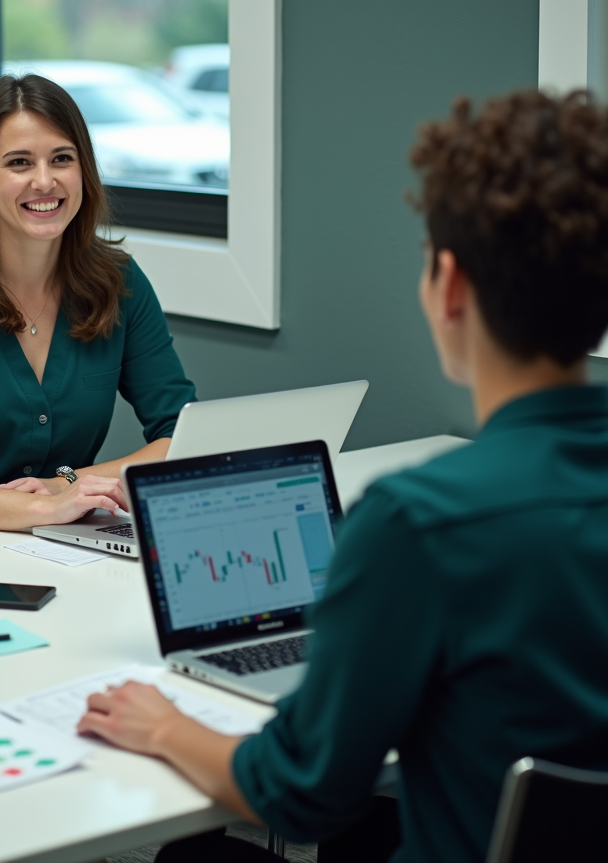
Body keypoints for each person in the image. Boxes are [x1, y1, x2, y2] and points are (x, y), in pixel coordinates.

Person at [77, 89, 608, 863]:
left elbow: (301, 792)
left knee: (195, 856)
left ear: (450, 285)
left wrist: (165, 726)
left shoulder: (417, 524)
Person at [0, 73, 196, 529]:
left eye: (62, 158)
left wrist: (67, 485)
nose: (44, 181)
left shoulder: (119, 282)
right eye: (19, 163)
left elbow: (181, 435)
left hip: (60, 545)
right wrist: (42, 507)